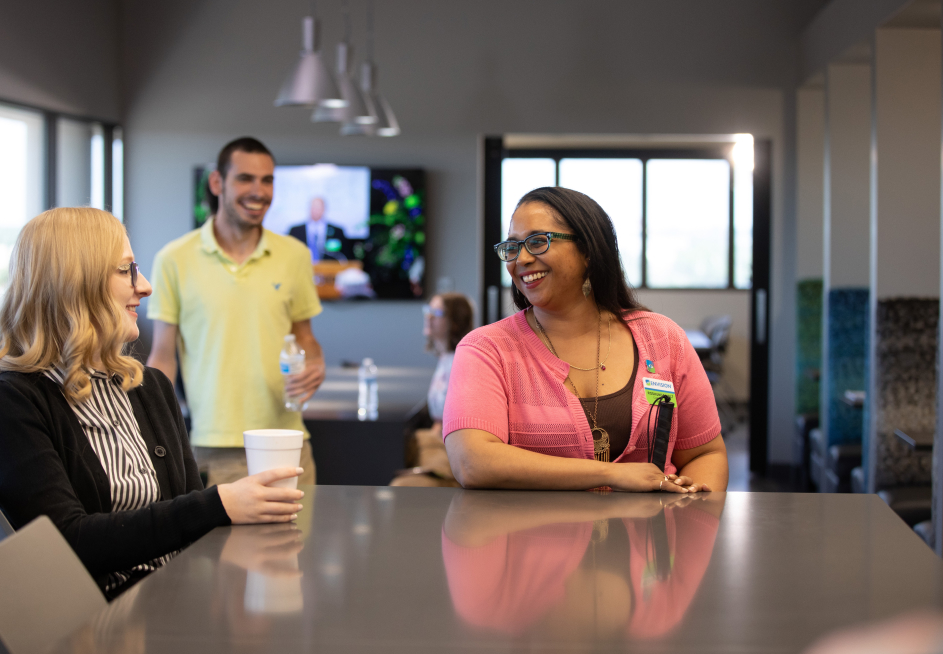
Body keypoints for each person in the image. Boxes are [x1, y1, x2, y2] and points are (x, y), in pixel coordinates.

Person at [0, 208, 306, 599]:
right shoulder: (15, 399)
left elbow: (192, 527)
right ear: (76, 283)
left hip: (178, 602)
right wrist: (219, 503)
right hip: (101, 624)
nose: (144, 286)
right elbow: (64, 543)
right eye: (126, 269)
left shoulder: (149, 386)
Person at [443, 187, 729, 493]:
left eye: (538, 242)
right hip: (529, 539)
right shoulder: (487, 350)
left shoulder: (663, 339)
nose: (521, 259)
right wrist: (610, 474)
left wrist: (689, 521)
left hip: (649, 537)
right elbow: (472, 462)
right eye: (512, 247)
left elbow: (704, 453)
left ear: (588, 250)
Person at [147, 137, 325, 486]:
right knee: (220, 544)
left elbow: (305, 338)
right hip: (211, 445)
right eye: (245, 179)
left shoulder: (295, 255)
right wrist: (154, 433)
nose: (259, 191)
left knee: (300, 541)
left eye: (267, 180)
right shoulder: (173, 259)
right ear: (217, 183)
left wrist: (315, 363)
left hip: (288, 443)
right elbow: (163, 358)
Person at [390, 293, 474, 488]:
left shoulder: (461, 362)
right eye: (427, 311)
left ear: (454, 322)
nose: (428, 317)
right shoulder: (445, 358)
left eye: (436, 312)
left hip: (448, 448)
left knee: (399, 485)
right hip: (437, 440)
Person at [288, 196, 355, 262]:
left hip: (330, 270)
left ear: (324, 209)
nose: (316, 210)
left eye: (319, 207)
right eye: (313, 207)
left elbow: (347, 257)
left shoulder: (337, 232)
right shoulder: (295, 231)